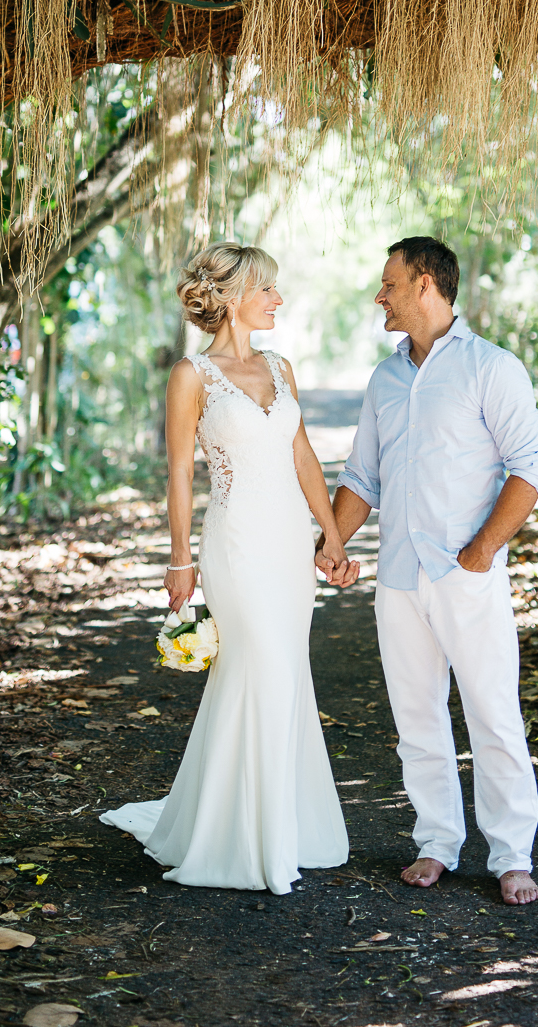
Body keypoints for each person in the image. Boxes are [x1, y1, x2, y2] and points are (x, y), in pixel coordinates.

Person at [101, 241, 359, 894]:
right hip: (236, 542)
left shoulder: (281, 366)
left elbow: (302, 455)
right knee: (260, 664)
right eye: (267, 289)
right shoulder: (192, 376)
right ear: (233, 297)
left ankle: (268, 824)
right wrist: (179, 556)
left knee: (281, 673)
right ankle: (252, 845)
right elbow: (181, 475)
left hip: (287, 544)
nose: (278, 300)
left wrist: (330, 537)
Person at [317, 237, 538, 906]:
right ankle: (437, 842)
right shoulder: (384, 379)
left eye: (387, 283)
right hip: (397, 579)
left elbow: (530, 466)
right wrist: (330, 542)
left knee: (492, 714)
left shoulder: (491, 368)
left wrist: (481, 553)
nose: (378, 295)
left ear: (425, 284)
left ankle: (511, 855)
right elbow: (362, 477)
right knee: (416, 717)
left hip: (466, 577)